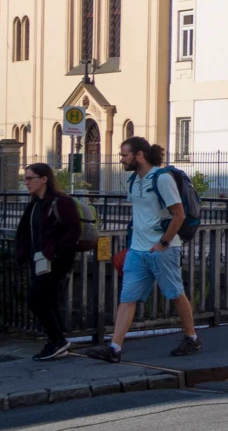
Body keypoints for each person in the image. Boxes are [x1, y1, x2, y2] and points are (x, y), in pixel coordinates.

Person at [90, 136, 198, 361]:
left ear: (140, 155)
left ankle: (192, 338)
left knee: (175, 293)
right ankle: (115, 349)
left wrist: (164, 243)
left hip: (162, 249)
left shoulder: (162, 179)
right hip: (137, 251)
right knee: (127, 297)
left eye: (125, 155)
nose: (121, 159)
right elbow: (140, 215)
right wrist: (132, 246)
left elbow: (179, 214)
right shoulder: (133, 181)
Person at [13, 162, 84, 359]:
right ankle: (56, 341)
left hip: (55, 260)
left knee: (36, 299)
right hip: (38, 259)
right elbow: (28, 232)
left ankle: (58, 340)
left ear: (44, 179)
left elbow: (73, 230)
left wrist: (55, 251)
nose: (26, 182)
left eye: (30, 178)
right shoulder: (35, 204)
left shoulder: (61, 202)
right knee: (48, 300)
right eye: (24, 178)